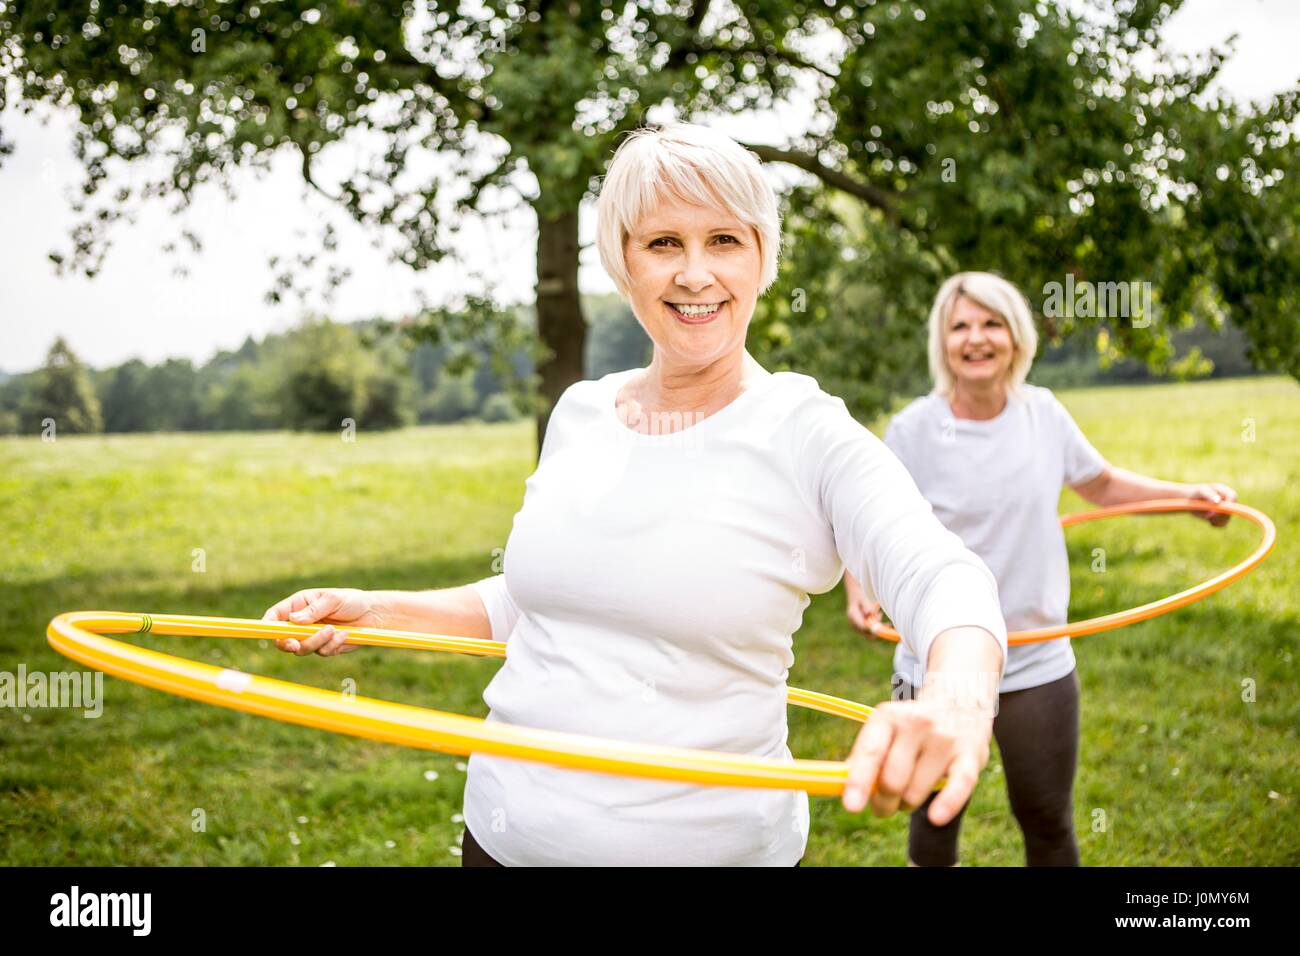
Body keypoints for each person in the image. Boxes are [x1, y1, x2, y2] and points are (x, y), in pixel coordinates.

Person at [262, 124, 1010, 867]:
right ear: (623, 260)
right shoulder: (582, 412)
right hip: (501, 838)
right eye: (662, 244)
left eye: (724, 240)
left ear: (761, 258)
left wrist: (954, 703)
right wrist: (382, 610)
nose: (694, 274)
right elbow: (543, 603)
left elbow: (945, 577)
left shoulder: (806, 431)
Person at [844, 271, 1237, 867]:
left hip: (1036, 659)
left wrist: (1188, 497)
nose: (976, 339)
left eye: (991, 323)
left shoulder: (1043, 415)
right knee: (932, 814)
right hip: (933, 664)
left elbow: (1101, 484)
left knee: (1048, 821)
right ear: (942, 342)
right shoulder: (913, 430)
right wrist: (859, 587)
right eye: (960, 326)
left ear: (1016, 336)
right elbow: (867, 522)